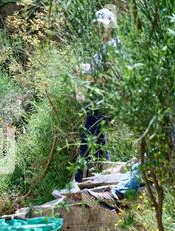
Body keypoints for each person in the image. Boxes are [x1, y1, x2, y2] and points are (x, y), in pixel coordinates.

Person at [74, 5, 121, 183]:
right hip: (97, 101)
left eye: (103, 26)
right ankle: (104, 178)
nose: (99, 30)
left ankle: (78, 182)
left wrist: (87, 74)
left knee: (88, 140)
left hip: (102, 101)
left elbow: (109, 75)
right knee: (99, 140)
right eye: (97, 26)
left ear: (110, 26)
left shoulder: (112, 46)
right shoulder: (105, 47)